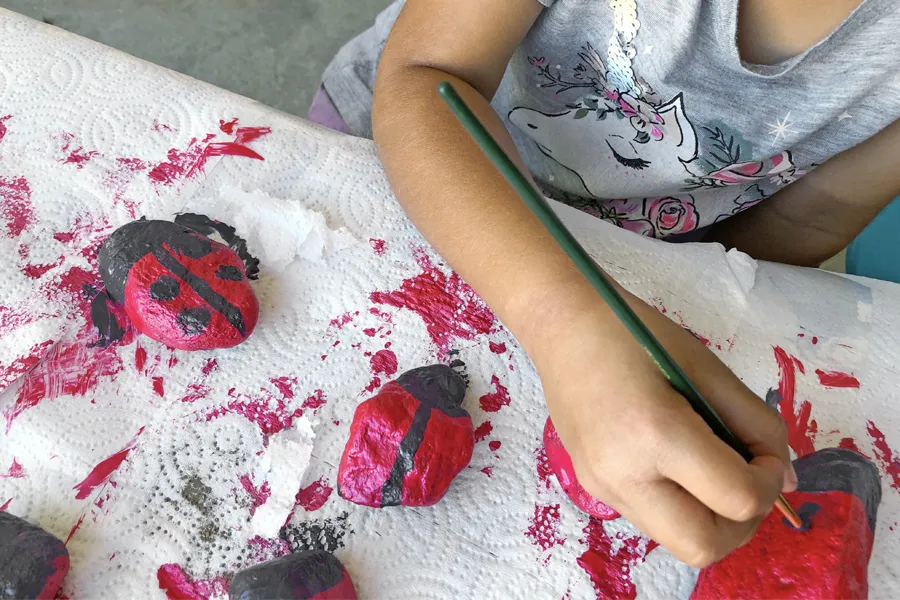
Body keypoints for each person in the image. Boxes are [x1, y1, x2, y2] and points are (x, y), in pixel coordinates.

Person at [310, 0, 900, 567]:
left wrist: (671, 312)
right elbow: (428, 75)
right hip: (401, 161)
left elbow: (805, 218)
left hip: (644, 254)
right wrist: (563, 319)